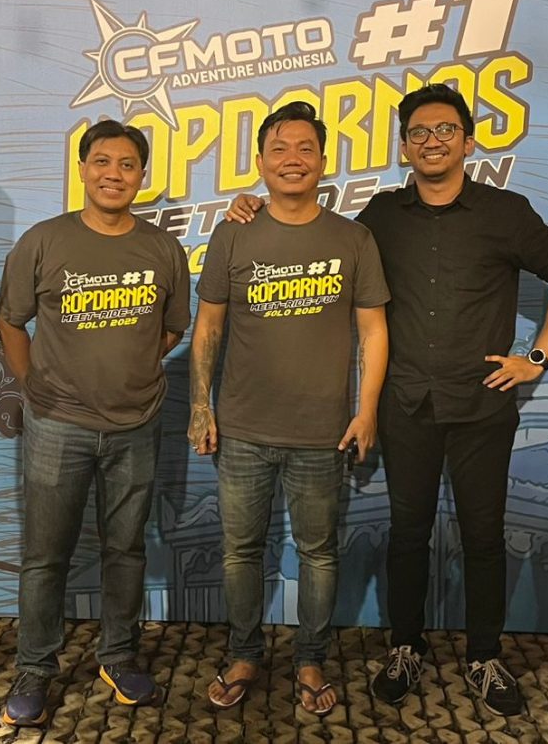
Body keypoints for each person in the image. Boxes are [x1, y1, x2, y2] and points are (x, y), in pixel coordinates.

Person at [227, 83, 548, 716]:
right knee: (407, 533)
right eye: (419, 132)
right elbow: (320, 240)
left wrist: (536, 358)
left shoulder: (506, 212)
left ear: (468, 142)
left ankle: (484, 655)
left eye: (445, 130)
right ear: (404, 146)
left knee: (484, 536)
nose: (432, 141)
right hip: (406, 403)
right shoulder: (381, 216)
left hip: (482, 405)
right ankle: (405, 646)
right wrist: (253, 208)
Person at [190, 101, 390, 716]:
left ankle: (310, 659)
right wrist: (201, 405)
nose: (292, 159)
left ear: (324, 161)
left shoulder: (353, 239)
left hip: (321, 433)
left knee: (318, 553)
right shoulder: (233, 232)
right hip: (243, 429)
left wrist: (367, 410)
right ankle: (244, 653)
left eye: (305, 148)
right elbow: (208, 325)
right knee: (240, 552)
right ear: (260, 162)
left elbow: (374, 330)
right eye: (279, 148)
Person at [0, 120, 191, 725]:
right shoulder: (43, 241)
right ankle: (35, 666)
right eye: (102, 161)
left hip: (137, 424)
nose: (114, 174)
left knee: (125, 549)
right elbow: (10, 321)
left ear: (142, 175)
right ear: (82, 169)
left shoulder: (163, 249)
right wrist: (33, 384)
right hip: (57, 425)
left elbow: (172, 329)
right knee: (45, 556)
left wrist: (130, 371)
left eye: (128, 164)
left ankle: (119, 655)